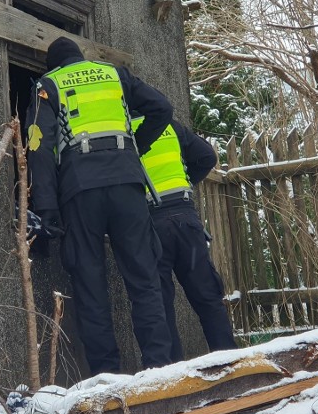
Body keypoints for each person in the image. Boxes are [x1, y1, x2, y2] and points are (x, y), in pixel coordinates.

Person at [25, 36, 173, 375]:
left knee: (91, 285)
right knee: (144, 280)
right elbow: (162, 108)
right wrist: (136, 149)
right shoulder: (114, 74)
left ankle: (107, 377)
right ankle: (160, 369)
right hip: (127, 185)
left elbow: (39, 147)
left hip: (80, 190)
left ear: (55, 65)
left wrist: (47, 208)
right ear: (81, 58)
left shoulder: (49, 85)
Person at [133, 116, 237, 362]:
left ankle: (173, 375)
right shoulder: (169, 124)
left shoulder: (124, 129)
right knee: (208, 296)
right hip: (184, 217)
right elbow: (207, 157)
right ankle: (231, 363)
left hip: (150, 223)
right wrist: (187, 180)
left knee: (160, 304)